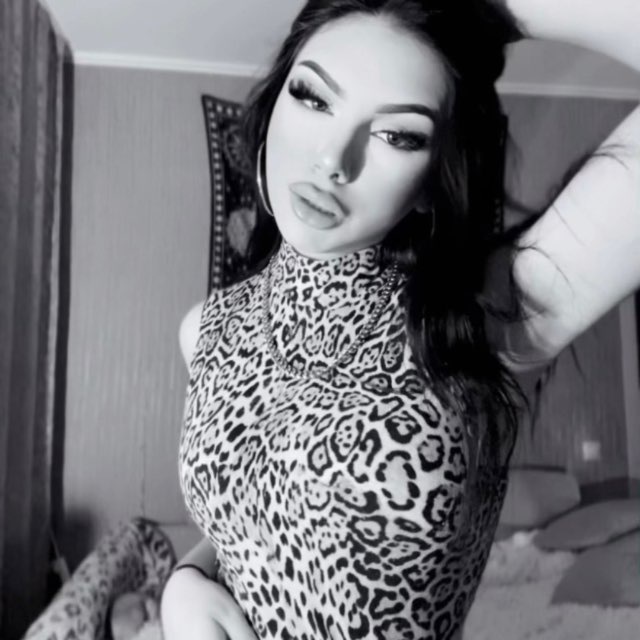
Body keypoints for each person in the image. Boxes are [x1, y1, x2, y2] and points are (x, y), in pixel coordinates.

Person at [161, 1, 640, 638]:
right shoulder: (208, 327)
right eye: (312, 97)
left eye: (398, 136)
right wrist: (185, 580)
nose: (334, 158)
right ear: (274, 104)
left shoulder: (476, 321)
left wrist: (483, 7)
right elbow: (253, 519)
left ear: (431, 182)